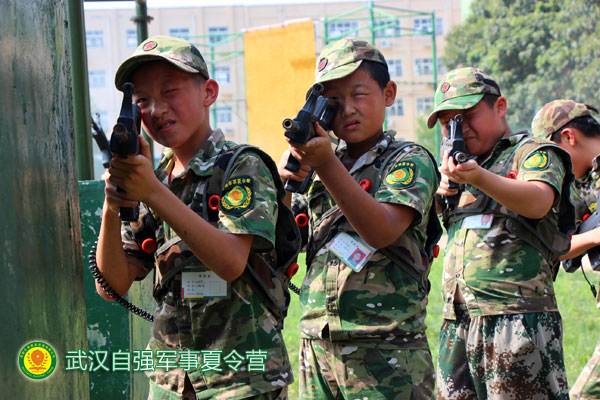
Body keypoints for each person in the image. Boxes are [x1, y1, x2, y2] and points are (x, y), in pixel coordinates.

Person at [95, 36, 293, 400]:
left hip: (242, 381)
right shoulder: (153, 179)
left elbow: (231, 262)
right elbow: (111, 286)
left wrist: (153, 192)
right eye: (142, 100)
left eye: (170, 91)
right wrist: (113, 205)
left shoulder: (242, 166)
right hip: (172, 382)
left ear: (209, 92)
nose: (156, 109)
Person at [278, 37, 442, 399]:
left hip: (386, 351)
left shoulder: (408, 159)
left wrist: (326, 165)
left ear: (388, 93)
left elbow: (381, 229)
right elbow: (282, 248)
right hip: (318, 345)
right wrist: (285, 187)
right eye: (334, 102)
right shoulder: (319, 169)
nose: (348, 110)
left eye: (359, 94)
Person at [430, 67, 576, 399]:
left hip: (517, 318)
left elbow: (538, 201)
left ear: (500, 107)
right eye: (447, 123)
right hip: (459, 320)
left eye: (467, 116)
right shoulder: (459, 169)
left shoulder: (532, 152)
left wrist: (478, 177)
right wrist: (443, 195)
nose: (459, 129)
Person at [531, 99, 600, 399]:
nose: (552, 165)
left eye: (554, 154)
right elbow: (554, 245)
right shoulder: (583, 181)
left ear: (569, 137)